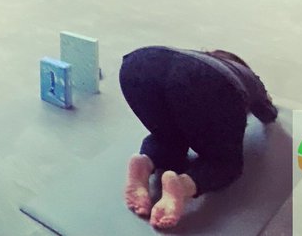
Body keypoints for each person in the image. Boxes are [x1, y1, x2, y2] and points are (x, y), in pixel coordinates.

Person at [119, 46, 278, 230]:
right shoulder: (245, 76)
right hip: (203, 81)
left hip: (139, 64)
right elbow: (268, 112)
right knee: (225, 163)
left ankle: (145, 162)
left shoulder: (193, 56)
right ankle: (182, 185)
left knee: (168, 137)